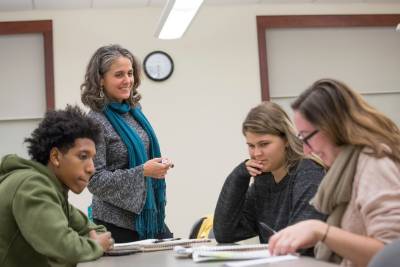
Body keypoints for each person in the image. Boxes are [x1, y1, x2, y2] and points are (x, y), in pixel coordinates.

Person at [268, 78, 400, 267]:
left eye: (306, 137)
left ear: (332, 127)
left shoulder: (376, 162)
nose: (306, 150)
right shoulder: (347, 167)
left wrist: (321, 231)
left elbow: (390, 255)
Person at [80, 44, 173, 242]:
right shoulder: (95, 121)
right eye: (119, 74)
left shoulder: (134, 111)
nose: (127, 80)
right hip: (115, 224)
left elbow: (140, 158)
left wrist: (156, 165)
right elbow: (95, 181)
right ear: (101, 80)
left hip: (149, 216)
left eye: (130, 73)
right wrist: (143, 171)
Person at [0, 106, 114, 267]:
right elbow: (63, 248)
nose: (91, 168)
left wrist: (92, 241)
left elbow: (95, 230)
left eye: (92, 158)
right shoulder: (33, 186)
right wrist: (95, 246)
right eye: (83, 156)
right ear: (55, 157)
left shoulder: (52, 190)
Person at [213, 102, 326, 247]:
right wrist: (240, 175)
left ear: (286, 139)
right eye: (251, 146)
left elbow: (300, 243)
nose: (256, 154)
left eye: (264, 144)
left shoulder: (308, 172)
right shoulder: (264, 179)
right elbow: (225, 233)